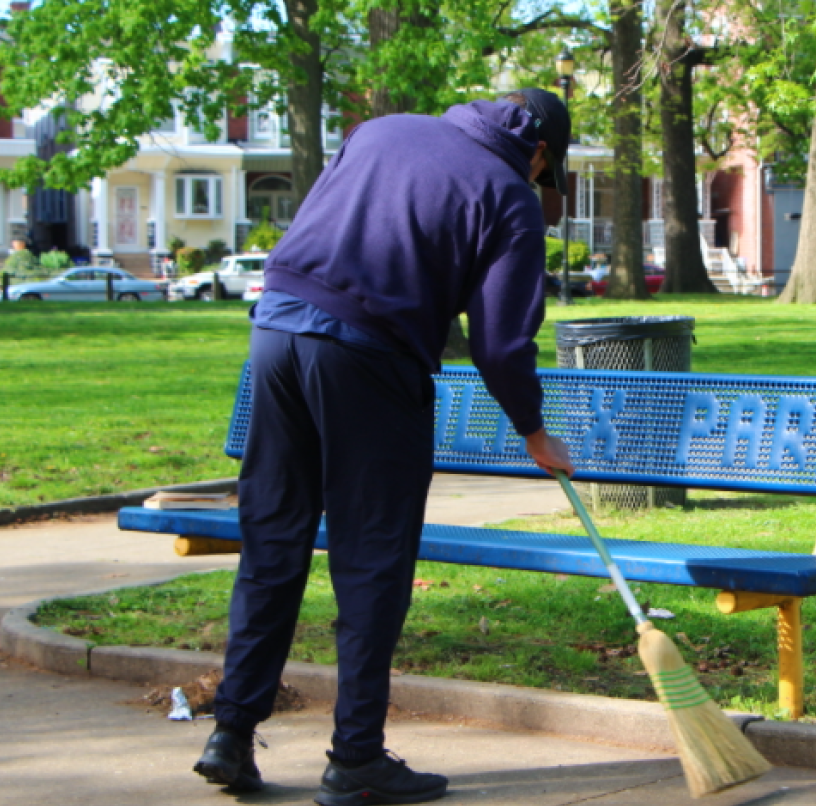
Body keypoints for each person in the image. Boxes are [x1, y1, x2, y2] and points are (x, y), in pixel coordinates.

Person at [193, 90, 575, 806]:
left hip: (274, 336)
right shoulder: (511, 197)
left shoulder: (380, 132)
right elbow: (500, 340)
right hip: (370, 361)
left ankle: (231, 734)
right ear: (542, 153)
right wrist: (533, 430)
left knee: (274, 543)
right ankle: (356, 758)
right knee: (373, 560)